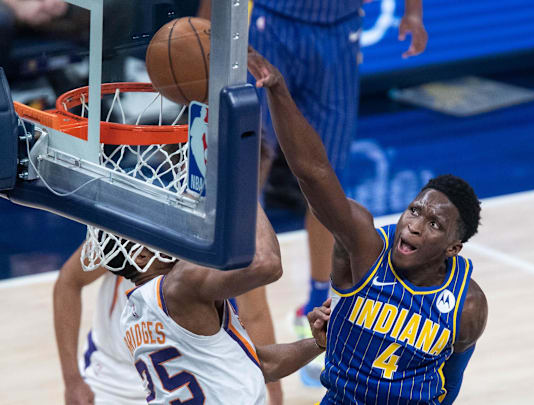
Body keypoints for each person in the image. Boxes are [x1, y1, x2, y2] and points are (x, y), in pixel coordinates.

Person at [248, 49, 488, 403]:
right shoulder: (366, 247)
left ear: (453, 248)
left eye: (434, 224)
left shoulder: (467, 306)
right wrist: (278, 91)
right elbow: (313, 173)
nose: (415, 226)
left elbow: (449, 386)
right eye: (414, 211)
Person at [247, 1, 429, 380]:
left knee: (325, 181)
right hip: (271, 24)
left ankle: (319, 307)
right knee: (250, 162)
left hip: (338, 31)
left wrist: (414, 13)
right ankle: (239, 295)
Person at [116, 204, 327, 404]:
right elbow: (266, 263)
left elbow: (260, 364)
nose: (168, 233)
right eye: (156, 231)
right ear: (141, 256)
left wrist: (317, 344)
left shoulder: (131, 313)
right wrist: (246, 186)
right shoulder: (179, 285)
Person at [54, 248, 148, 405]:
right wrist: (72, 381)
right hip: (107, 379)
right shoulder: (124, 236)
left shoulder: (198, 262)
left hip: (177, 379)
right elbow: (69, 281)